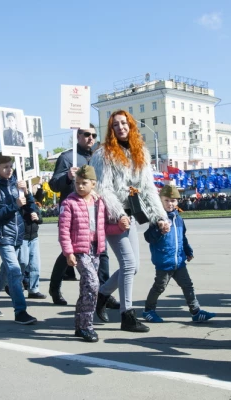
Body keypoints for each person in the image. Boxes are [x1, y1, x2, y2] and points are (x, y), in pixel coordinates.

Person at [91, 109, 169, 333]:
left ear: (131, 125)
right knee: (128, 264)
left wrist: (160, 218)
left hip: (130, 214)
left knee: (133, 267)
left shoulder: (140, 152)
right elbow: (103, 188)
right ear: (111, 130)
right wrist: (119, 214)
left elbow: (148, 189)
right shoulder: (104, 154)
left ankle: (102, 294)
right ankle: (127, 315)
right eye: (116, 125)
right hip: (112, 215)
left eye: (124, 123)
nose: (121, 127)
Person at [48, 123, 118, 310]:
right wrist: (68, 178)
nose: (91, 138)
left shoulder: (98, 156)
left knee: (101, 252)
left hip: (95, 210)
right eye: (86, 134)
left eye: (94, 135)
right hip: (73, 215)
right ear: (77, 136)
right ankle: (54, 288)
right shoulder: (67, 157)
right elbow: (54, 184)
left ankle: (104, 292)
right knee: (68, 254)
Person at [59, 165, 123, 342]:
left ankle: (80, 326)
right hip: (79, 251)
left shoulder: (99, 202)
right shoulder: (69, 203)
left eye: (84, 183)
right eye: (77, 183)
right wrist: (68, 252)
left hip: (95, 250)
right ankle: (87, 326)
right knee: (93, 284)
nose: (79, 186)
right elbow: (63, 230)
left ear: (93, 184)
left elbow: (103, 227)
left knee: (86, 288)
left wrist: (119, 227)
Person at [142, 184, 216, 324]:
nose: (170, 203)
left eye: (173, 200)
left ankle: (196, 312)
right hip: (164, 262)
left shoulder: (178, 218)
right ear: (160, 201)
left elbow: (183, 237)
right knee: (159, 287)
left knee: (188, 286)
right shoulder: (157, 219)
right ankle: (148, 311)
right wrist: (159, 230)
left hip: (179, 262)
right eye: (167, 200)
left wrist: (187, 250)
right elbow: (148, 237)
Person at [0, 152, 38, 325]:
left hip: (18, 235)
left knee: (10, 269)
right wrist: (14, 205)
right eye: (5, 166)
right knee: (14, 270)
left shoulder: (17, 184)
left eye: (10, 166)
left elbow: (29, 206)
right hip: (2, 235)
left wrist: (27, 193)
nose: (9, 169)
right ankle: (20, 311)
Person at [18, 185, 46, 299]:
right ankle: (15, 285)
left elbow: (40, 219)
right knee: (23, 262)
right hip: (23, 237)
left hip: (33, 237)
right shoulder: (17, 202)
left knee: (35, 265)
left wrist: (37, 218)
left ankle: (33, 289)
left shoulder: (32, 202)